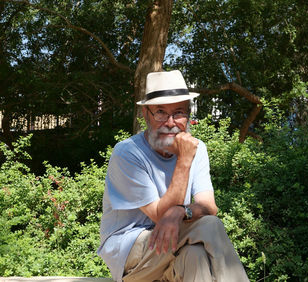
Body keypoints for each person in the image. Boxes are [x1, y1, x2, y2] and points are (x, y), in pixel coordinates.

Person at [97, 70, 249, 282]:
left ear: (188, 114)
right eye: (160, 112)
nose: (170, 122)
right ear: (145, 115)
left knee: (195, 256)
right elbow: (161, 216)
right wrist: (184, 160)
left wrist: (180, 212)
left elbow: (209, 206)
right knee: (209, 225)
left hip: (175, 245)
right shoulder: (128, 153)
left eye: (178, 112)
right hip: (131, 257)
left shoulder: (197, 148)